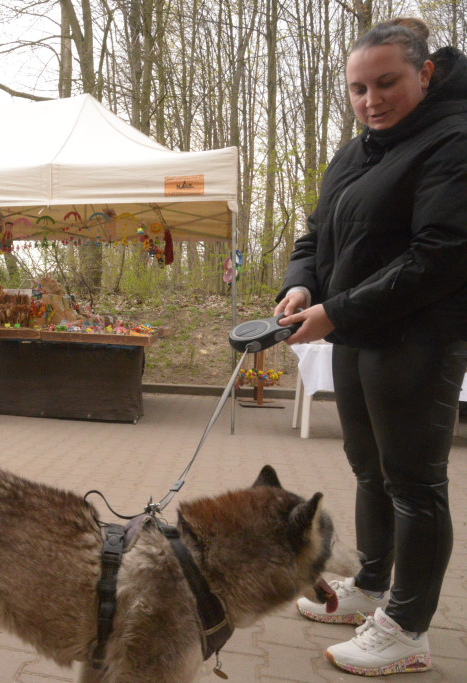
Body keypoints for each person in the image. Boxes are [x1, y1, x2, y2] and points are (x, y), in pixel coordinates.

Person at [276, 18, 467, 677]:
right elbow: (314, 237)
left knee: (416, 484)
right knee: (369, 471)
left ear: (426, 73)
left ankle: (407, 626)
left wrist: (337, 310)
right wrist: (302, 289)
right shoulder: (358, 151)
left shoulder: (453, 140)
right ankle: (372, 585)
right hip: (354, 336)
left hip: (419, 337)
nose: (371, 100)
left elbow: (438, 256)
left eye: (386, 83)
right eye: (358, 88)